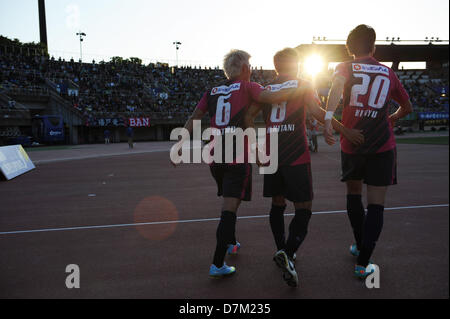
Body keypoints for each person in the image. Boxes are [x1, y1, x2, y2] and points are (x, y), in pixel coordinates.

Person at [173, 49, 307, 278]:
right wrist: (303, 86)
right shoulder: (248, 86)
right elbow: (272, 98)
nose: (252, 70)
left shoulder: (212, 91)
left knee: (229, 201)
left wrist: (179, 144)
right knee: (229, 208)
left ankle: (232, 241)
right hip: (236, 156)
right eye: (251, 67)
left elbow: (195, 116)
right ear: (245, 68)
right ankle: (217, 263)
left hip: (215, 156)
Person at [245, 48, 364, 287]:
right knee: (304, 207)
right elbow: (316, 112)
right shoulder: (303, 84)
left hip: (271, 153)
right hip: (295, 154)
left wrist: (255, 149)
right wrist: (344, 130)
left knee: (277, 204)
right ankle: (288, 252)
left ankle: (281, 249)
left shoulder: (266, 89)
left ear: (276, 66)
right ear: (297, 64)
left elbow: (248, 117)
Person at [323, 25, 413, 278]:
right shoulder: (387, 71)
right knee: (376, 205)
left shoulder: (345, 67)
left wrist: (329, 118)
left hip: (353, 144)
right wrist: (392, 118)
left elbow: (336, 88)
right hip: (383, 145)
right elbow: (407, 107)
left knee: (353, 194)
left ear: (349, 49)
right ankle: (363, 261)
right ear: (373, 47)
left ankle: (360, 245)